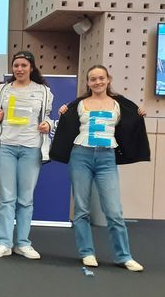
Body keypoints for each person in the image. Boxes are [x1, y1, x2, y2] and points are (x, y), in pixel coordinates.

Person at [50, 65, 149, 272]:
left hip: (107, 159)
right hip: (81, 156)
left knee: (114, 211)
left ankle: (124, 256)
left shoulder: (119, 104)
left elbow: (131, 122)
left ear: (108, 79)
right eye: (93, 79)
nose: (97, 82)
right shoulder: (78, 104)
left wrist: (139, 114)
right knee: (81, 209)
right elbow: (66, 124)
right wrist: (63, 113)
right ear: (88, 83)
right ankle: (86, 252)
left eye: (101, 78)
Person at [0, 51, 53, 259]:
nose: (19, 69)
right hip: (6, 147)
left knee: (26, 199)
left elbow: (48, 118)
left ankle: (23, 243)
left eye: (23, 65)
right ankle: (4, 242)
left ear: (31, 67)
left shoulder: (44, 91)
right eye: (16, 66)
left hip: (31, 148)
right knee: (6, 198)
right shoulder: (1, 90)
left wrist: (48, 125)